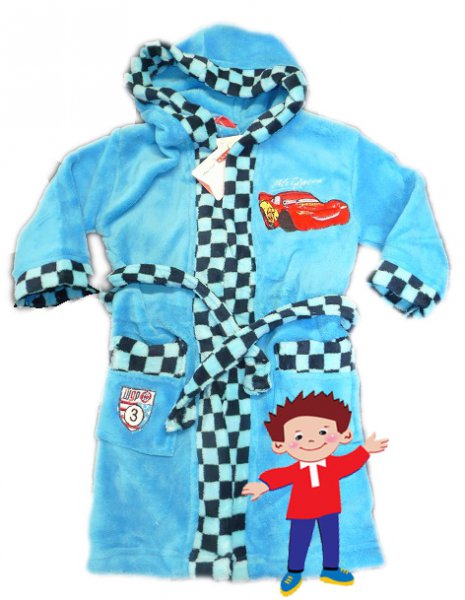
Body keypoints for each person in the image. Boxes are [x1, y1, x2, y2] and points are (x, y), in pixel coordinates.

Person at [242, 390, 388, 595]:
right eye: (298, 436)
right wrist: (263, 485)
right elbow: (280, 476)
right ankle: (294, 572)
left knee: (331, 539)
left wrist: (365, 450)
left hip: (329, 509)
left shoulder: (333, 465)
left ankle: (330, 569)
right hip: (301, 512)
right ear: (280, 444)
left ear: (344, 435)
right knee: (298, 542)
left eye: (322, 432)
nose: (311, 441)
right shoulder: (296, 469)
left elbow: (350, 462)